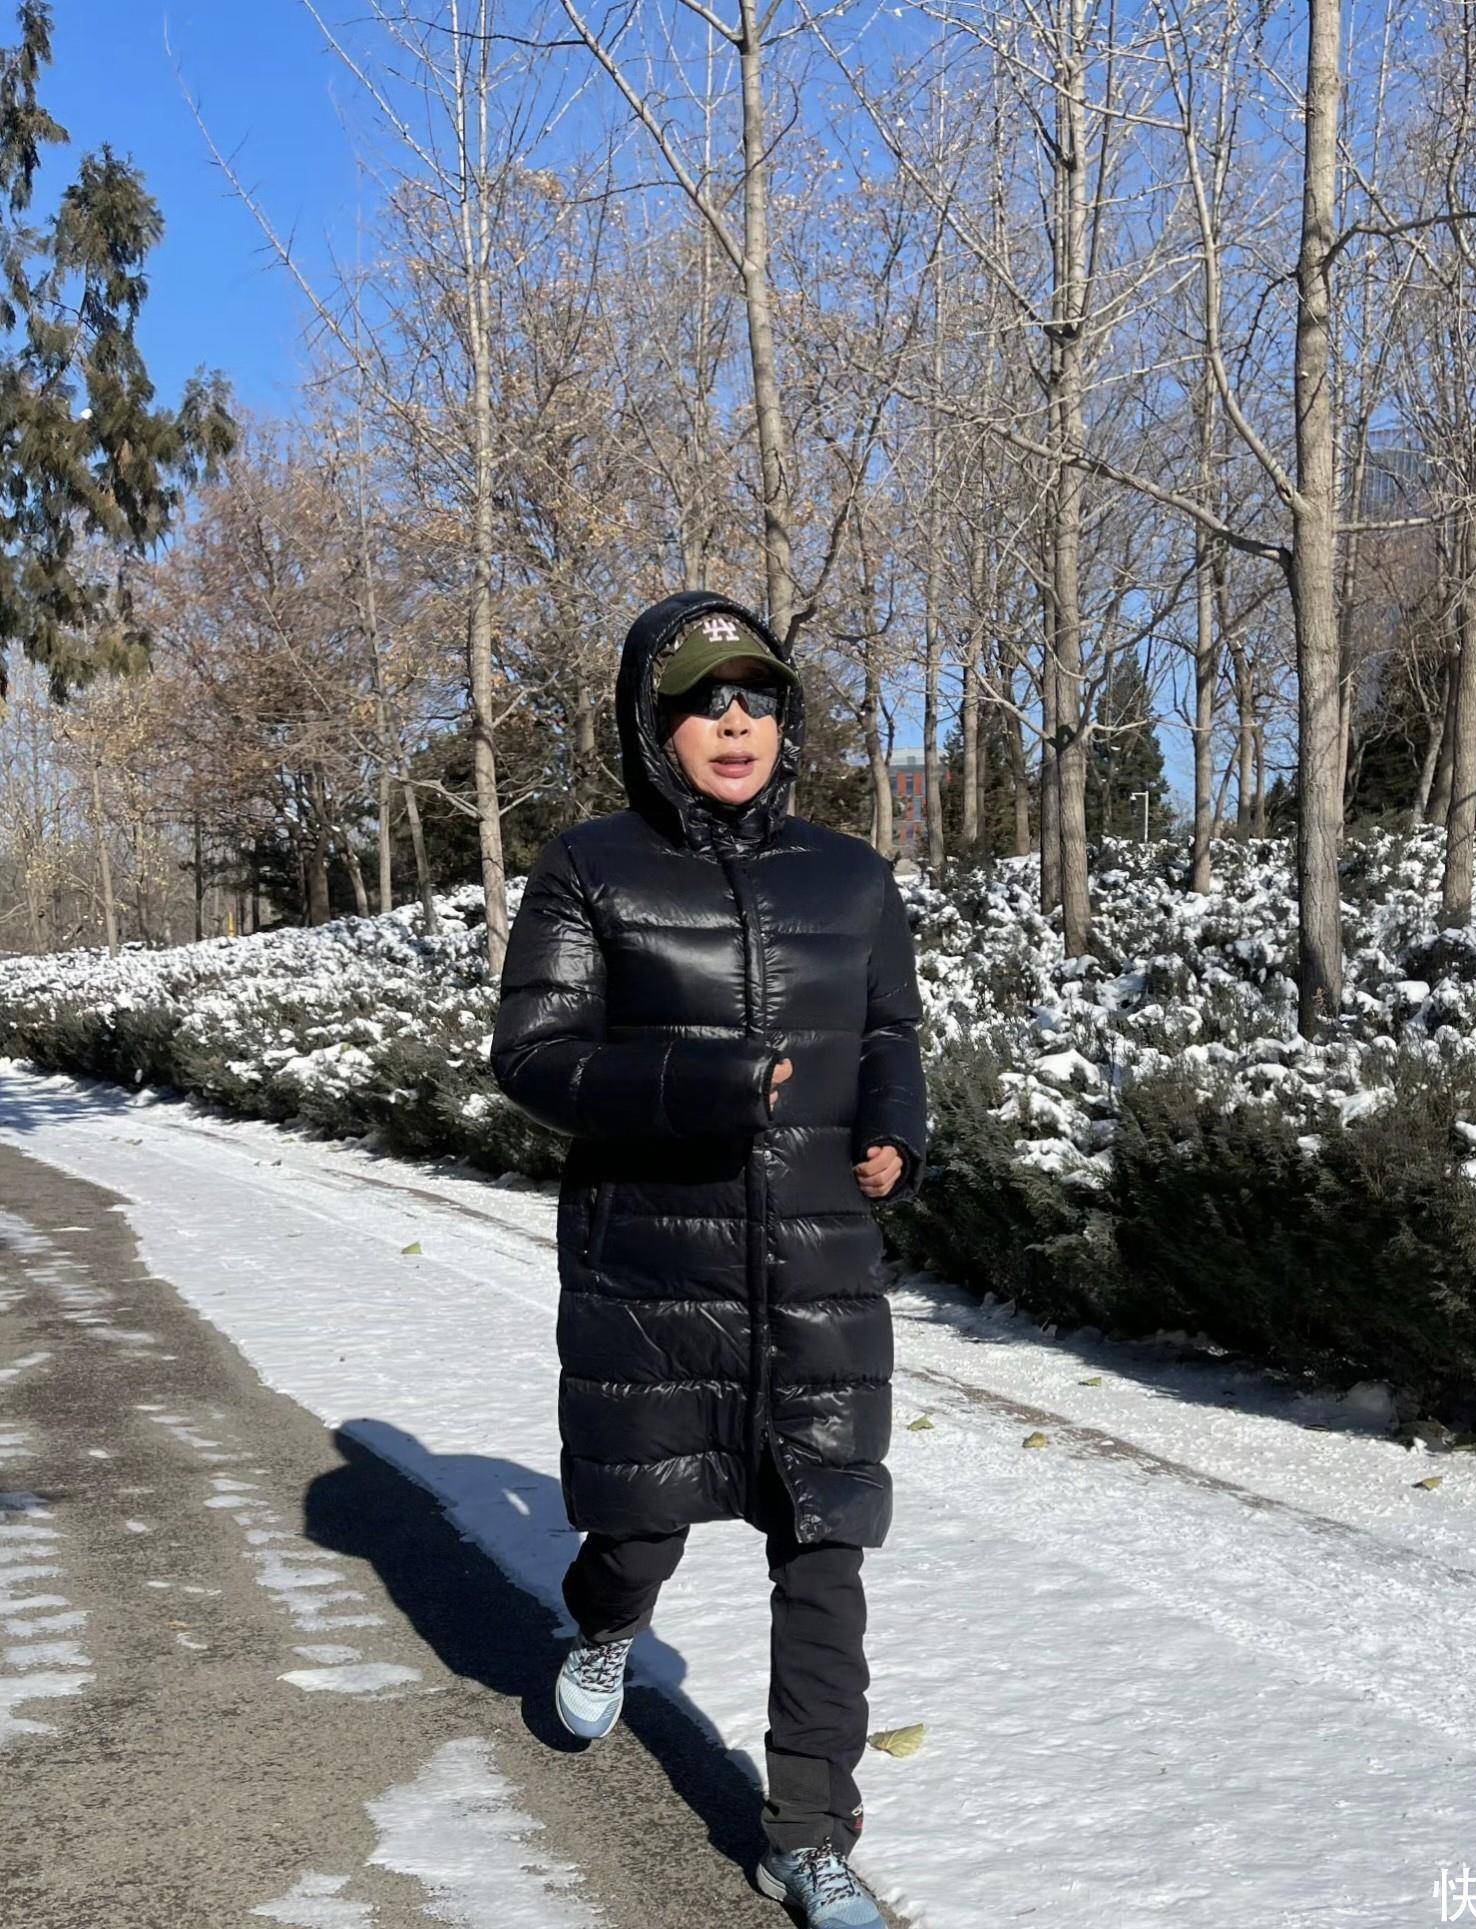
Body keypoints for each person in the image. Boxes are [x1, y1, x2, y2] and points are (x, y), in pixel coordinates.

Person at [488, 589, 928, 1929]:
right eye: (701, 702)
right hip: (651, 1274)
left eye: (757, 699)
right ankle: (605, 1625)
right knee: (639, 1527)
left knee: (825, 1541)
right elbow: (534, 1056)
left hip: (820, 1267)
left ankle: (808, 1835)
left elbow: (890, 1032)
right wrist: (699, 1085)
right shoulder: (590, 868)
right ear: (651, 722)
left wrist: (895, 1131)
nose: (734, 723)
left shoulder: (851, 877)